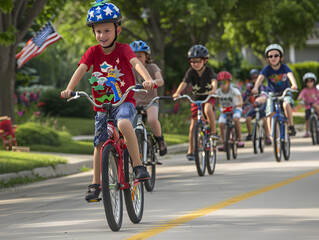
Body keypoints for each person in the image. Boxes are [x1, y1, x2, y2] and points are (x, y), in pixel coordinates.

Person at [60, 1, 154, 201]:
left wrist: (146, 78)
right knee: (99, 143)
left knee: (123, 122)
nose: (102, 36)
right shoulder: (93, 52)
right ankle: (95, 184)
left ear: (117, 29)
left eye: (107, 31)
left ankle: (138, 166)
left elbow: (135, 63)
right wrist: (69, 88)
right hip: (101, 105)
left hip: (123, 101)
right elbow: (81, 69)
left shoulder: (124, 49)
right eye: (98, 31)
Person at [172, 45, 218, 161]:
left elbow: (214, 81)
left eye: (198, 61)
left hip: (208, 97)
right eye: (192, 61)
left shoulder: (209, 71)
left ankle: (213, 132)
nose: (195, 64)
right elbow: (184, 83)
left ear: (205, 60)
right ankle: (191, 150)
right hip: (196, 99)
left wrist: (213, 89)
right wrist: (177, 92)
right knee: (193, 127)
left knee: (208, 110)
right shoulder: (191, 72)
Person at [129, 40, 167, 156]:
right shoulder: (130, 69)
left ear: (147, 56)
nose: (137, 58)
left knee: (152, 120)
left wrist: (153, 82)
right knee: (132, 128)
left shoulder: (152, 67)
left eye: (139, 56)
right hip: (135, 103)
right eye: (134, 56)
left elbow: (160, 81)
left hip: (150, 102)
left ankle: (160, 140)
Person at [252, 44, 298, 137]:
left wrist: (294, 84)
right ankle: (271, 135)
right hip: (272, 93)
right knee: (270, 113)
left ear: (281, 57)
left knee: (286, 104)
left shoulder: (284, 67)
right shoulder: (267, 69)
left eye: (276, 55)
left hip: (284, 93)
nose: (273, 58)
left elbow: (290, 75)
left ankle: (291, 126)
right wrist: (256, 87)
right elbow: (260, 78)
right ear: (268, 59)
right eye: (270, 56)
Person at [216, 71, 245, 151]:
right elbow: (218, 101)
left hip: (235, 109)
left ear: (229, 82)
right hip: (225, 111)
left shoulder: (233, 90)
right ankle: (223, 142)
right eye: (220, 83)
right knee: (221, 123)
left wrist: (240, 103)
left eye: (224, 82)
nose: (222, 85)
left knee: (236, 119)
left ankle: (239, 139)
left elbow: (240, 98)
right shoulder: (218, 91)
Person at [242, 69, 271, 145]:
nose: (255, 80)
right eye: (253, 78)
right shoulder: (249, 88)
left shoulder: (263, 88)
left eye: (256, 78)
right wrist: (243, 102)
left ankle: (267, 136)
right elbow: (244, 97)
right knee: (248, 118)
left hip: (261, 107)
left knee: (265, 119)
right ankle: (250, 134)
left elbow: (267, 95)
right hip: (252, 107)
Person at [297, 72, 319, 137]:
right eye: (307, 81)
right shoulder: (304, 90)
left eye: (311, 81)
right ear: (305, 83)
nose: (309, 83)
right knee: (307, 119)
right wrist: (301, 100)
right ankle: (307, 132)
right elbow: (299, 97)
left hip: (316, 105)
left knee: (315, 106)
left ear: (314, 81)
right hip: (308, 106)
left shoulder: (316, 89)